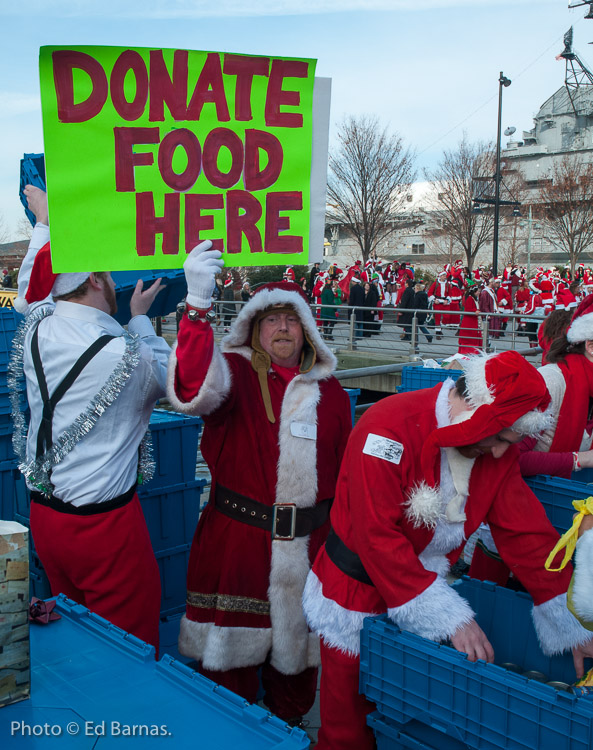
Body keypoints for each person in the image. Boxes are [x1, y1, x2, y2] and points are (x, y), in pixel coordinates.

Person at [303, 350, 593, 749]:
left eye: (508, 442)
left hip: (422, 584)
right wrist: (448, 617)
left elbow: (525, 532)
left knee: (403, 714)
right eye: (497, 438)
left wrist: (571, 620)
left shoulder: (494, 449)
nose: (497, 453)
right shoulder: (387, 426)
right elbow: (375, 535)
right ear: (474, 408)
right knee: (347, 724)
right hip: (355, 590)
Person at [166, 242, 352, 726]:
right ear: (254, 328)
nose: (283, 328)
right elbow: (190, 388)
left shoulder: (331, 393)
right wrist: (198, 306)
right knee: (231, 684)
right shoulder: (232, 373)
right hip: (239, 549)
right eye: (271, 319)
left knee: (297, 685)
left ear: (308, 328)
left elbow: (347, 472)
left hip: (313, 554)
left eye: (292, 319)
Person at [13, 186, 170, 652]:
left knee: (75, 633)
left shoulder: (38, 323)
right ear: (100, 280)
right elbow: (186, 384)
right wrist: (142, 318)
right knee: (129, 647)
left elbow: (29, 292)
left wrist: (45, 222)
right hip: (106, 529)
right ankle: (125, 723)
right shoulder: (126, 353)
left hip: (45, 517)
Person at [457, 286, 482, 355]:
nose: (479, 293)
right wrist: (475, 311)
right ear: (474, 292)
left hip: (472, 321)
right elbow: (468, 309)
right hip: (470, 322)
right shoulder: (470, 299)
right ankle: (470, 351)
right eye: (478, 291)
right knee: (470, 337)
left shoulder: (473, 298)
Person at [479, 277, 501, 341]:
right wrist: (487, 313)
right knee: (489, 331)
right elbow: (484, 304)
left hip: (493, 312)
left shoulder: (492, 290)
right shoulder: (485, 292)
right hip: (490, 313)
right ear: (491, 282)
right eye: (495, 282)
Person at [412, 282, 433, 348]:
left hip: (418, 312)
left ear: (417, 288)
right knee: (421, 325)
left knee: (416, 326)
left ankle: (416, 339)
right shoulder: (425, 294)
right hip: (423, 312)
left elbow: (416, 304)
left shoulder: (417, 295)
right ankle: (428, 336)